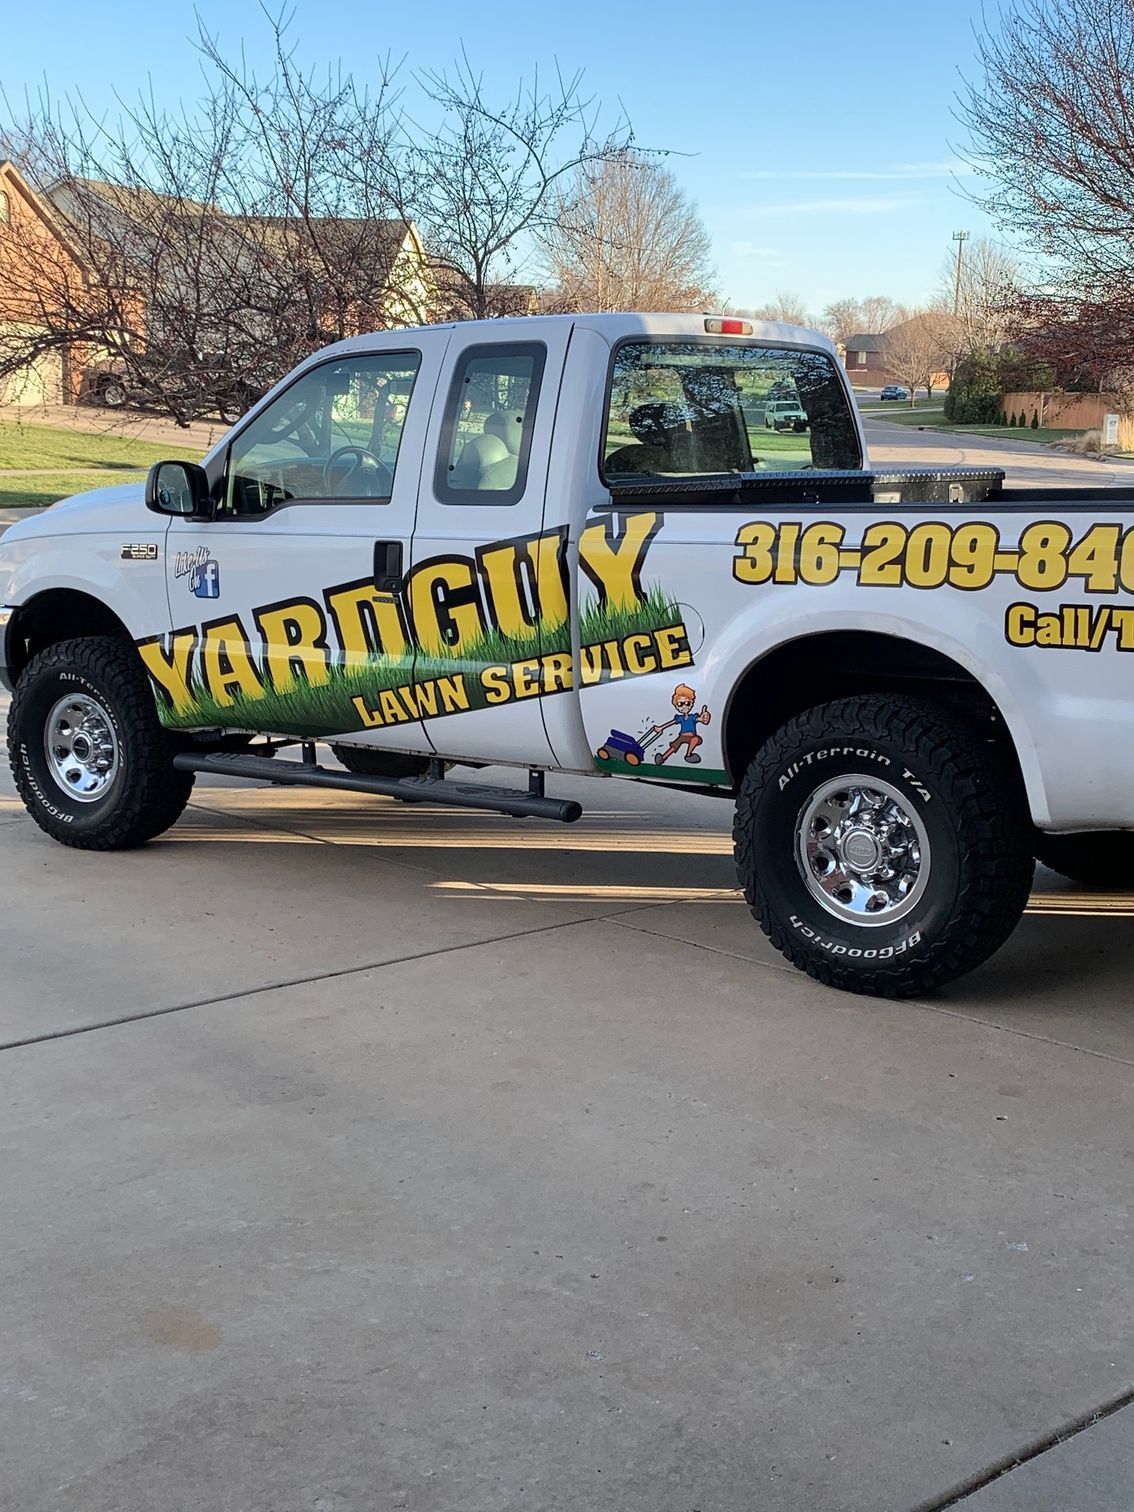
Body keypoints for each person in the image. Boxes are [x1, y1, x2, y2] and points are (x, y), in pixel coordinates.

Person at [653, 683, 711, 764]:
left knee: (696, 739)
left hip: (691, 736)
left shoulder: (692, 717)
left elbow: (699, 719)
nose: (684, 706)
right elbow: (671, 723)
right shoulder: (680, 718)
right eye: (680, 704)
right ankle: (662, 758)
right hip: (682, 736)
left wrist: (702, 718)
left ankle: (688, 755)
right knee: (674, 747)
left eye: (687, 703)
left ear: (691, 703)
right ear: (676, 706)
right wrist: (661, 728)